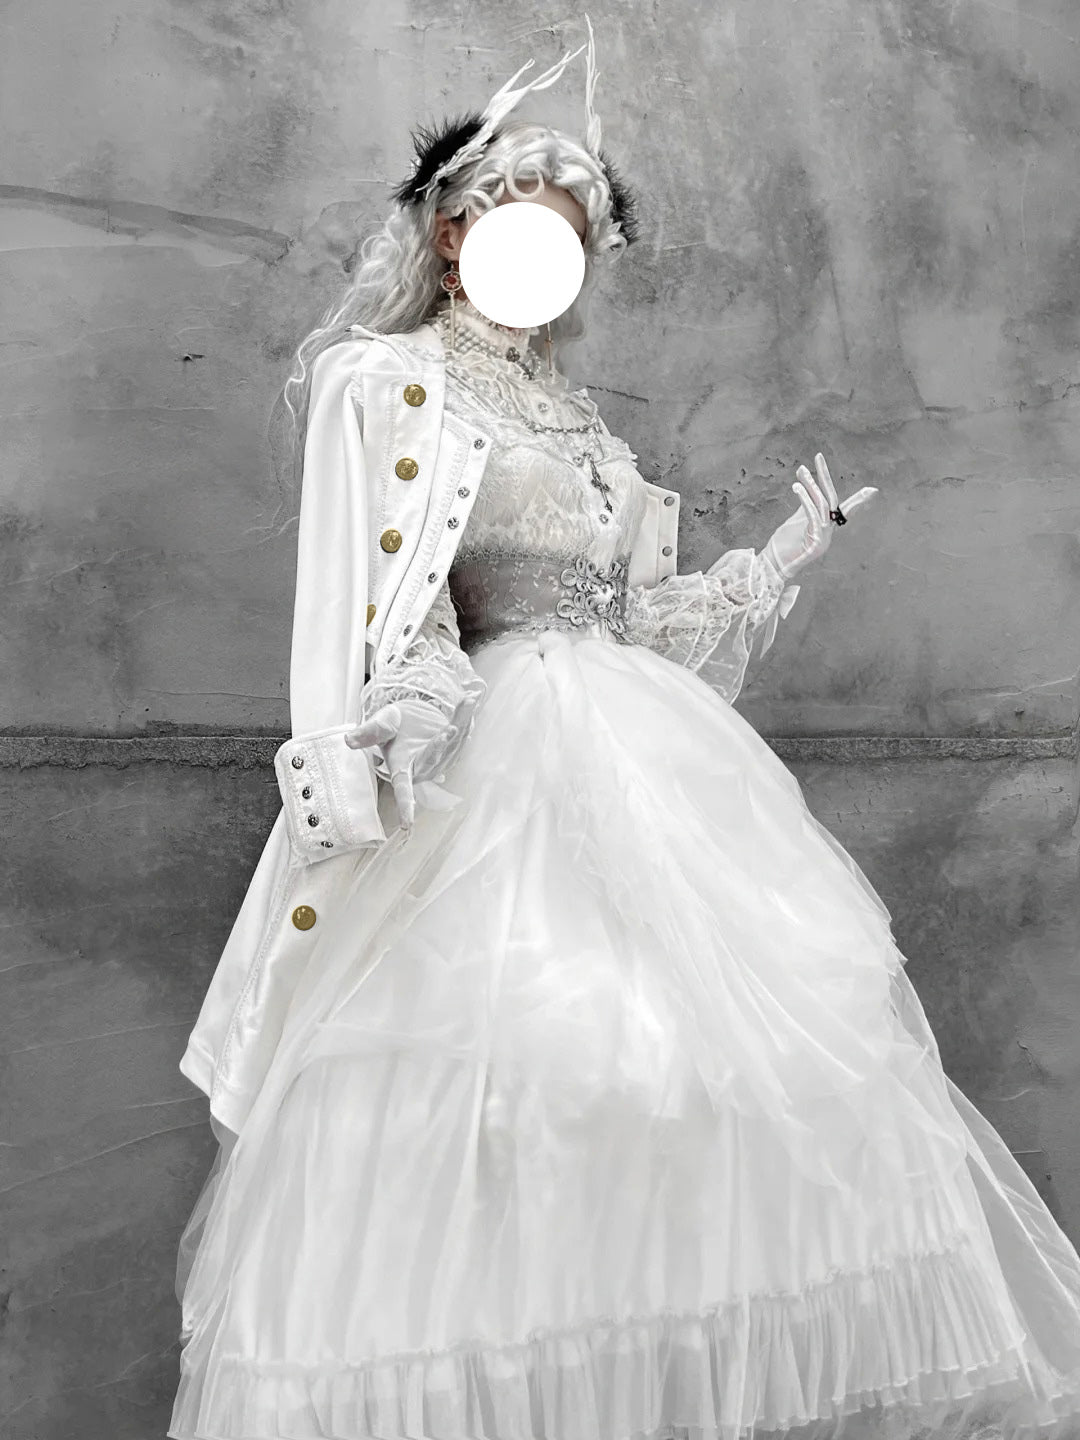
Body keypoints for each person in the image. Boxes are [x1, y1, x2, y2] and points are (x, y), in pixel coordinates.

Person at [168, 21, 1080, 1440]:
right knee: (520, 1083)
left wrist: (778, 557)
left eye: (576, 236)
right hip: (490, 765)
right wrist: (397, 724)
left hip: (640, 759)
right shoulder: (386, 380)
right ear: (454, 233)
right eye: (524, 223)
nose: (555, 254)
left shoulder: (581, 417)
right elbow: (389, 604)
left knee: (711, 1073)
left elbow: (634, 621)